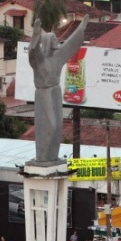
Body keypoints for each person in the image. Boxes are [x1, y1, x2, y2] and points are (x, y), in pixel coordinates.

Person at [27, 15, 89, 163]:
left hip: (55, 91)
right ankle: (43, 157)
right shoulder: (40, 61)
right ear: (47, 42)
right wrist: (36, 35)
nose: (57, 41)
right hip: (43, 93)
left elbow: (70, 44)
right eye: (53, 39)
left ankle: (53, 156)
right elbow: (33, 53)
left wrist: (81, 27)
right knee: (50, 125)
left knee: (58, 127)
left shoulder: (58, 57)